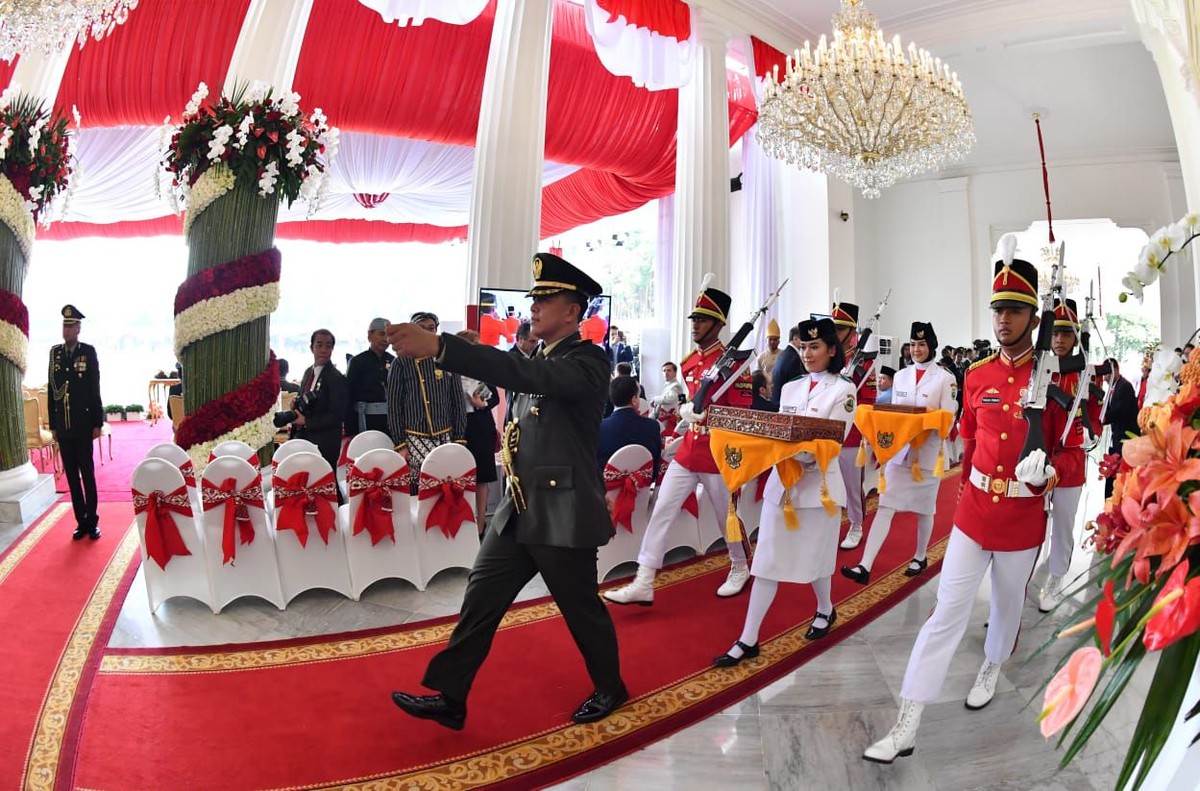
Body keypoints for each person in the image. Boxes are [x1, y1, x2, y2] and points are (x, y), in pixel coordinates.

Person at [388, 252, 627, 730]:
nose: (533, 308)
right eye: (533, 300)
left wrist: (441, 346)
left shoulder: (587, 361)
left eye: (546, 300)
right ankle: (452, 696)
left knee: (580, 609)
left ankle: (610, 687)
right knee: (481, 598)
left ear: (572, 312)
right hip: (519, 507)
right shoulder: (538, 358)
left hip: (561, 510)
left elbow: (526, 377)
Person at [863, 242, 1071, 764]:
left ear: (1033, 316)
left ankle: (993, 665)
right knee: (946, 612)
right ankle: (907, 721)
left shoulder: (1055, 381)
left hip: (1022, 517)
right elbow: (972, 441)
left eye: (1015, 310)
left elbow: (1070, 453)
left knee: (1005, 606)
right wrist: (964, 494)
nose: (1003, 319)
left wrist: (1046, 475)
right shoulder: (975, 376)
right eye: (998, 309)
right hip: (976, 513)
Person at [713, 317, 857, 667]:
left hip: (819, 487)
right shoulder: (790, 387)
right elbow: (779, 430)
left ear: (831, 350)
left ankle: (825, 609)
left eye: (815, 347)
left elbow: (831, 442)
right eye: (803, 347)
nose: (807, 354)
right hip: (784, 488)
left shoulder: (844, 390)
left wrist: (788, 449)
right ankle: (749, 639)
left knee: (819, 559)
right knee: (766, 563)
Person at [603, 285, 755, 604]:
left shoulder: (737, 365)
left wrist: (707, 416)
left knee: (723, 514)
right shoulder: (689, 363)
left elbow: (742, 414)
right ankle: (644, 580)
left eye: (703, 319)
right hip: (690, 450)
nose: (695, 324)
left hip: (718, 453)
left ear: (718, 324)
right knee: (661, 510)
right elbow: (692, 402)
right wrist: (687, 415)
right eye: (694, 319)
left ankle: (739, 565)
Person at [841, 322, 956, 586]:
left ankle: (920, 556)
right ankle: (864, 565)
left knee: (925, 508)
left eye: (922, 345)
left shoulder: (945, 378)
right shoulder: (901, 376)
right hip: (899, 452)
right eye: (913, 344)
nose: (916, 349)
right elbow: (894, 413)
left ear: (931, 347)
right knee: (885, 505)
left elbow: (947, 420)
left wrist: (922, 425)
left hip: (926, 455)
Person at [1038, 298, 1097, 612]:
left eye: (1066, 334)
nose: (1059, 340)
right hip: (1038, 458)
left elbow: (1093, 412)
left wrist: (1091, 431)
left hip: (1070, 462)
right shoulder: (1039, 369)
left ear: (1076, 338)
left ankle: (1056, 576)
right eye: (1055, 333)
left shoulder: (1084, 373)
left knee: (1062, 522)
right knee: (1033, 520)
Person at [386, 311, 468, 483]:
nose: (427, 333)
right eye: (421, 329)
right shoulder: (401, 362)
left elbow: (458, 401)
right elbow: (394, 406)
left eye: (431, 328)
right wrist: (400, 444)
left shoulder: (447, 359)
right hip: (415, 437)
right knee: (421, 487)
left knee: (446, 484)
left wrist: (459, 438)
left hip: (445, 435)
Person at [48, 305, 104, 540]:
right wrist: (53, 425)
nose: (66, 329)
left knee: (87, 473)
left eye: (71, 325)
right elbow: (52, 390)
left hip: (83, 424)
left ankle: (92, 521)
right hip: (64, 425)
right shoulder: (55, 354)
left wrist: (97, 422)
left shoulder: (87, 352)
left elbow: (94, 387)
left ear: (78, 328)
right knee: (71, 475)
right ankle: (80, 521)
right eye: (64, 325)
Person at [831, 301, 878, 551]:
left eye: (840, 329)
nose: (835, 334)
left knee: (851, 483)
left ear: (851, 331)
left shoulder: (864, 365)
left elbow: (869, 401)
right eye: (834, 328)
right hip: (826, 435)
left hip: (850, 437)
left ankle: (856, 524)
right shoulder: (828, 359)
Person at [288, 329, 349, 498]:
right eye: (319, 345)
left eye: (328, 346)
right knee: (306, 483)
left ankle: (337, 514)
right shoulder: (309, 372)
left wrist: (306, 421)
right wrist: (296, 404)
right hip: (306, 436)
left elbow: (337, 415)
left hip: (325, 440)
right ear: (311, 347)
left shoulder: (336, 378)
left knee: (326, 482)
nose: (323, 350)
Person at [455, 329, 501, 536]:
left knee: (482, 475)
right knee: (460, 474)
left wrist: (482, 403)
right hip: (458, 426)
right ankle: (460, 521)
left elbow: (495, 399)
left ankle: (481, 523)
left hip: (481, 424)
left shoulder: (482, 368)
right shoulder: (450, 369)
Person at [598, 375, 662, 479]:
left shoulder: (599, 428)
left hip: (605, 492)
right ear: (634, 400)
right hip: (642, 490)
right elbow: (655, 472)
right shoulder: (652, 426)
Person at [344, 317, 394, 438]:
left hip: (390, 422)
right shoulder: (357, 362)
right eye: (381, 334)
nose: (385, 339)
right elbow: (348, 396)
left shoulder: (394, 361)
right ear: (369, 336)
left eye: (388, 335)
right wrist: (350, 429)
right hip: (365, 421)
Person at [1102, 358, 1139, 499]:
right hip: (1118, 437)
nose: (1105, 378)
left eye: (1107, 374)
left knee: (1120, 473)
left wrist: (1101, 420)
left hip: (1126, 439)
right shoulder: (1115, 387)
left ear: (1116, 370)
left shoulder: (1124, 387)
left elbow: (1116, 412)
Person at [770, 324, 806, 404]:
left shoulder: (784, 354)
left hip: (777, 401)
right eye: (803, 339)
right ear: (795, 338)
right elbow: (797, 387)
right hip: (785, 404)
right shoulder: (794, 359)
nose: (805, 342)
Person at [757, 318, 782, 390]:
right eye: (770, 339)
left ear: (779, 341)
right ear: (766, 340)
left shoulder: (784, 355)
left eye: (775, 339)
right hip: (766, 390)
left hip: (781, 388)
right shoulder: (760, 357)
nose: (772, 342)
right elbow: (757, 378)